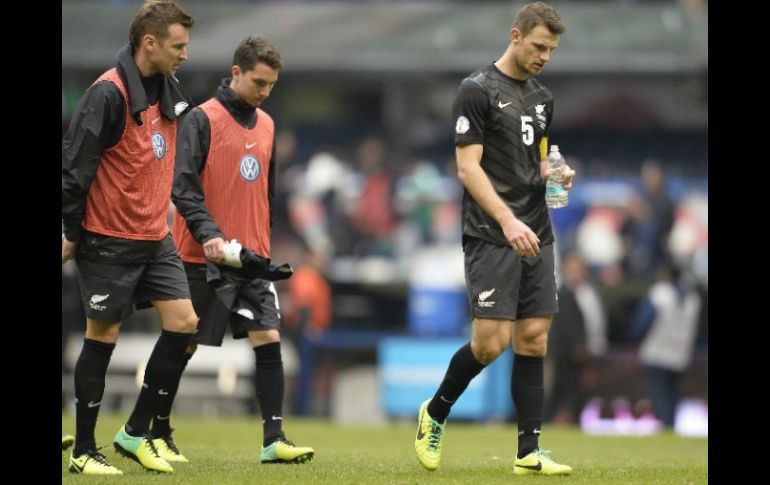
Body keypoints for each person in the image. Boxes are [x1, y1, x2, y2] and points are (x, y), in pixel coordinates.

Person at [414, 2, 574, 476]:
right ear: (516, 35)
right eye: (540, 46)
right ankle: (434, 413)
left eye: (552, 50)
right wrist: (507, 221)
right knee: (489, 344)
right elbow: (468, 168)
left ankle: (529, 450)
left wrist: (557, 173)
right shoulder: (476, 90)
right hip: (492, 231)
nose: (545, 56)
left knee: (534, 337)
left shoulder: (543, 98)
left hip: (537, 230)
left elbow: (537, 161)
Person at [61, 0, 197, 475]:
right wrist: (70, 231)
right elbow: (75, 168)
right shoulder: (107, 94)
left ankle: (135, 431)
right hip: (107, 237)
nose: (185, 54)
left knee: (184, 324)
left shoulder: (169, 87)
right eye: (178, 46)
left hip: (153, 236)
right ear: (150, 43)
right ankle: (83, 451)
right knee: (104, 336)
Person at [169, 35, 315, 464]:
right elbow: (184, 188)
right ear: (236, 73)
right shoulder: (201, 119)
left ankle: (274, 439)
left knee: (268, 337)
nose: (264, 92)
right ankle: (155, 430)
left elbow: (265, 195)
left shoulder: (268, 125)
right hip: (201, 254)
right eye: (258, 82)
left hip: (249, 258)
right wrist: (209, 233)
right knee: (183, 344)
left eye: (271, 85)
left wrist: (262, 243)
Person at [630, 263, 701, 427]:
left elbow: (643, 321)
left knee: (659, 391)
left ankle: (665, 423)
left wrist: (635, 340)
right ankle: (671, 422)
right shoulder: (693, 297)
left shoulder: (660, 293)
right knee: (674, 392)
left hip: (658, 350)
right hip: (680, 352)